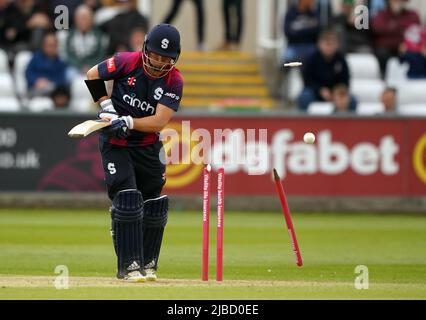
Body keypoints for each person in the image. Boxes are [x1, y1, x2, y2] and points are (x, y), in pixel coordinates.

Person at [85, 23, 183, 282]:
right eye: (155, 55)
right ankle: (129, 266)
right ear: (145, 49)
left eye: (166, 58)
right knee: (128, 199)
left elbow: (159, 121)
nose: (159, 62)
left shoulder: (174, 80)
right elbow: (92, 74)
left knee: (153, 203)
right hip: (116, 143)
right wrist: (106, 106)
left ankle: (148, 263)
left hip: (148, 146)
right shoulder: (126, 62)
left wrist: (128, 121)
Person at [297, 29, 357, 111]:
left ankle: (347, 123)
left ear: (337, 45)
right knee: (304, 98)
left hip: (336, 93)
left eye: (332, 44)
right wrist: (320, 90)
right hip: (315, 93)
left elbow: (345, 80)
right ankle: (304, 122)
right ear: (319, 44)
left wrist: (338, 92)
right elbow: (307, 80)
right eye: (326, 44)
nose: (329, 47)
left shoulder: (341, 59)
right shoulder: (312, 58)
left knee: (353, 101)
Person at [371, 0, 420, 76]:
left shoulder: (412, 15)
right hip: (385, 50)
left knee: (415, 55)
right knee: (382, 53)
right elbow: (377, 29)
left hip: (406, 48)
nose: (397, 1)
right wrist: (401, 29)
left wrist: (391, 27)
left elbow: (416, 31)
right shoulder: (380, 15)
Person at [64, 4, 106, 76]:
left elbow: (101, 55)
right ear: (75, 19)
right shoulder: (69, 35)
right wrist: (81, 67)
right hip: (75, 67)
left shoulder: (99, 35)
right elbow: (68, 55)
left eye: (85, 18)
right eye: (80, 18)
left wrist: (90, 66)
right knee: (69, 74)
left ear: (92, 19)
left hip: (95, 67)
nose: (83, 21)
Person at [25, 31, 69, 98]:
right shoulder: (36, 58)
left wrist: (49, 83)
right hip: (36, 88)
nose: (52, 48)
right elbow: (28, 73)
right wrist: (36, 81)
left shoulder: (60, 61)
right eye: (49, 45)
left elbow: (61, 78)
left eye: (54, 45)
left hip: (53, 90)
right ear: (43, 46)